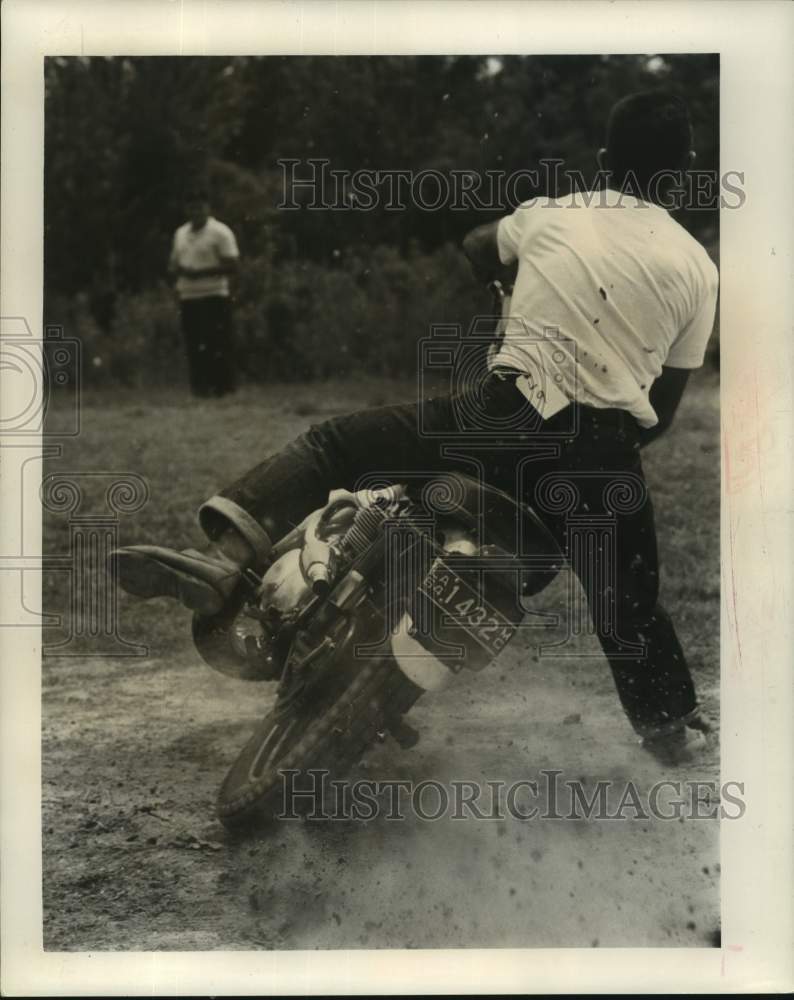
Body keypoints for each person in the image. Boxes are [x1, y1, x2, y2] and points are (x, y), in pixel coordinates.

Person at [114, 91, 718, 764]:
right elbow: (661, 412)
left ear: (604, 160)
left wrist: (499, 273)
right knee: (629, 605)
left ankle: (225, 561)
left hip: (504, 414)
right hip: (603, 455)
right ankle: (670, 727)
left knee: (334, 446)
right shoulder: (699, 269)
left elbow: (477, 243)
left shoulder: (554, 213)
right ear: (685, 169)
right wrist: (598, 450)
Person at [170, 190, 240, 397]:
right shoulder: (181, 233)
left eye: (200, 207)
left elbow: (233, 265)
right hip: (189, 296)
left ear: (208, 208)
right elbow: (173, 262)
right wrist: (179, 271)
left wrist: (200, 273)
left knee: (218, 343)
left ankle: (223, 390)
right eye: (192, 207)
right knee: (194, 344)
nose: (196, 212)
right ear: (187, 209)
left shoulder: (220, 232)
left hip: (214, 293)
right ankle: (200, 389)